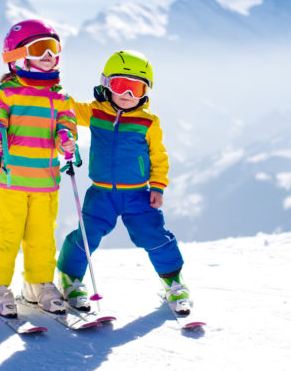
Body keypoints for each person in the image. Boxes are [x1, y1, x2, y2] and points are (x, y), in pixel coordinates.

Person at [56, 50, 191, 314]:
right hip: (101, 193)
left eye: (136, 89)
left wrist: (158, 186)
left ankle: (174, 282)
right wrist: (53, 91)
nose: (128, 96)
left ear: (145, 93)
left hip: (138, 195)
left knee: (153, 235)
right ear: (106, 84)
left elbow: (158, 156)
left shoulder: (148, 122)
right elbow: (68, 108)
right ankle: (70, 279)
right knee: (87, 235)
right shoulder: (96, 112)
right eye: (121, 86)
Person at [0, 19, 77, 316]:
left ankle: (38, 285)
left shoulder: (61, 98)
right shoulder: (6, 93)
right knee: (6, 235)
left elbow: (67, 124)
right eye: (41, 49)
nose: (49, 56)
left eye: (53, 48)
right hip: (9, 180)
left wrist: (67, 139)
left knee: (42, 237)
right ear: (19, 55)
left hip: (45, 183)